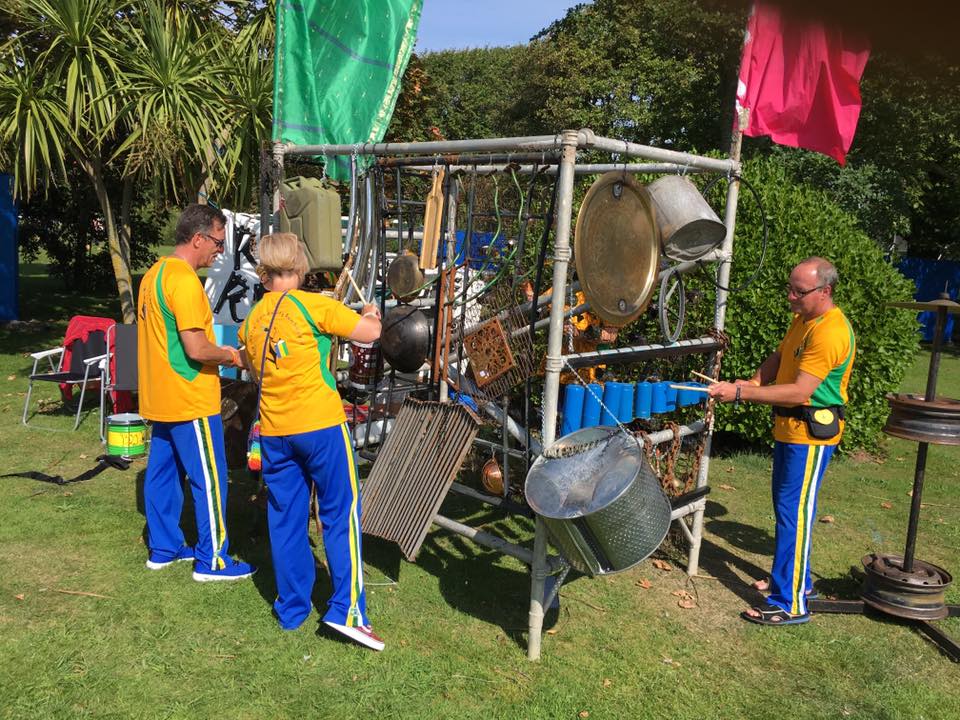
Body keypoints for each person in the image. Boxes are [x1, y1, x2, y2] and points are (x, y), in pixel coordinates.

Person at [238, 232, 385, 650]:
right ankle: (347, 611)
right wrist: (371, 312)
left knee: (286, 519)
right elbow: (369, 333)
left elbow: (250, 367)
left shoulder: (252, 320)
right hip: (320, 427)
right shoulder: (314, 305)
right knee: (340, 513)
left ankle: (291, 609)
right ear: (300, 267)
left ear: (264, 273)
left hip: (275, 433)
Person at [708, 257, 855, 626]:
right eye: (789, 288)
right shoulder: (804, 319)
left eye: (798, 292)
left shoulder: (830, 332)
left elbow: (800, 392)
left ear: (825, 291)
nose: (790, 296)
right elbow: (780, 356)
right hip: (791, 432)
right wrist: (754, 381)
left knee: (795, 515)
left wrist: (740, 394)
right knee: (788, 511)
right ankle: (795, 583)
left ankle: (790, 603)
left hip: (810, 437)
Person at [137, 203, 255, 581]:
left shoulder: (154, 274)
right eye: (218, 243)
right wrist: (234, 356)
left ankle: (164, 548)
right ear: (199, 238)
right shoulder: (185, 282)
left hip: (160, 396)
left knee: (161, 475)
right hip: (189, 397)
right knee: (210, 478)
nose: (220, 251)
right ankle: (213, 559)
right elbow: (197, 349)